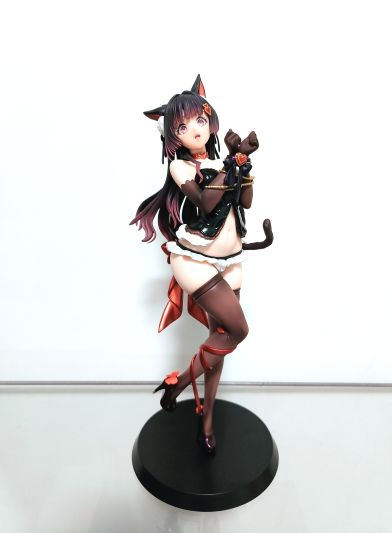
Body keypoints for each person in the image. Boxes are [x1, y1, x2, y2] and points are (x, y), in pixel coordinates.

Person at [130, 75, 273, 454]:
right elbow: (207, 203)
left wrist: (242, 164)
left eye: (200, 119)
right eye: (182, 126)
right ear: (171, 136)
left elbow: (245, 202)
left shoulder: (219, 160)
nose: (194, 129)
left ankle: (205, 423)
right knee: (238, 330)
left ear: (210, 120)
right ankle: (179, 383)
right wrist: (231, 163)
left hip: (232, 259)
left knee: (220, 338)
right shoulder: (181, 167)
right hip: (195, 260)